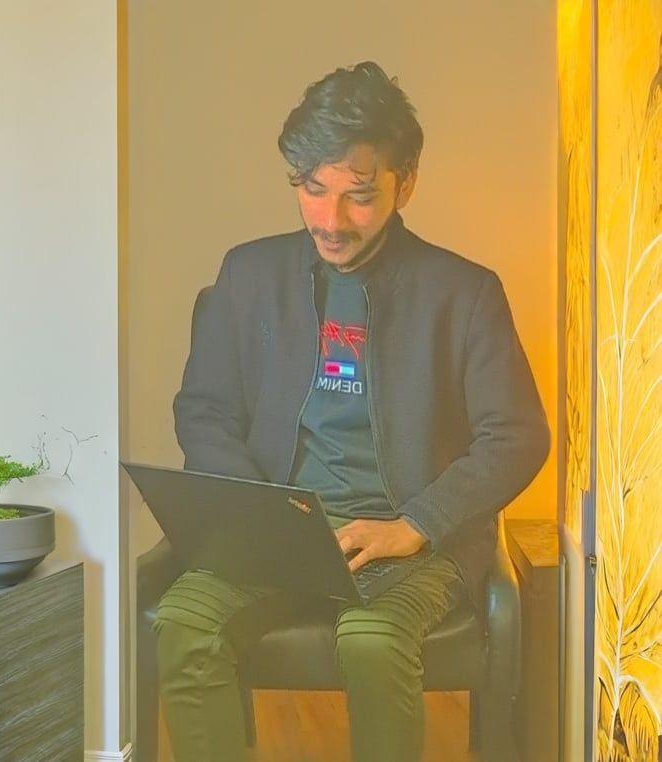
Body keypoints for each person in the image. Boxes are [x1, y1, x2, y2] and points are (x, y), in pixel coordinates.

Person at [154, 61, 550, 762]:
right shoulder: (248, 275)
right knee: (186, 626)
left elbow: (517, 436)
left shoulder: (464, 293)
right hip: (276, 531)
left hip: (409, 540)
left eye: (359, 197)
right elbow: (203, 411)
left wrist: (415, 525)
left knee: (371, 644)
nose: (330, 220)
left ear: (407, 182)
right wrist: (261, 512)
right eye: (313, 190)